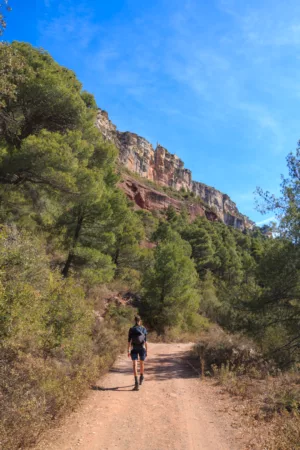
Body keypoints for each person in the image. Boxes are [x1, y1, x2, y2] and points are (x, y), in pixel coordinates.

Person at [128, 315, 148, 391]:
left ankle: (136, 382)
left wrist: (128, 350)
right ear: (140, 321)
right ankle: (141, 376)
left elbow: (129, 341)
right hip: (142, 348)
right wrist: (147, 350)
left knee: (135, 364)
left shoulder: (131, 329)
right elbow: (145, 341)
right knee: (142, 363)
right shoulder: (143, 329)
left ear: (134, 320)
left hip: (134, 348)